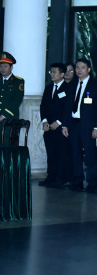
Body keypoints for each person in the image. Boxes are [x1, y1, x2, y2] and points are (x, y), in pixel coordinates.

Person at [62, 58, 97, 192]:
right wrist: (65, 125)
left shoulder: (94, 85)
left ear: (88, 69)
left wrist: (96, 127)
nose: (79, 70)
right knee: (75, 153)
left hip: (88, 125)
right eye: (77, 67)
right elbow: (67, 106)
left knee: (90, 154)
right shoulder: (72, 85)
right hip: (73, 124)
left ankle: (93, 183)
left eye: (82, 67)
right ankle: (77, 181)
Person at [39, 63, 72, 188]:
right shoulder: (48, 88)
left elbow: (68, 108)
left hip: (61, 127)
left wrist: (59, 122)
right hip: (48, 127)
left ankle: (60, 178)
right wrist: (44, 121)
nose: (51, 74)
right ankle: (50, 177)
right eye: (50, 72)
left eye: (54, 72)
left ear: (62, 74)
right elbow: (43, 106)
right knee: (51, 153)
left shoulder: (68, 88)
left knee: (61, 153)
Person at [0, 52, 24, 144]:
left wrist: (3, 116)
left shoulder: (18, 82)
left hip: (9, 120)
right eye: (1, 66)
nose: (2, 69)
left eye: (5, 66)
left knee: (7, 146)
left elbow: (16, 101)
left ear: (11, 67)